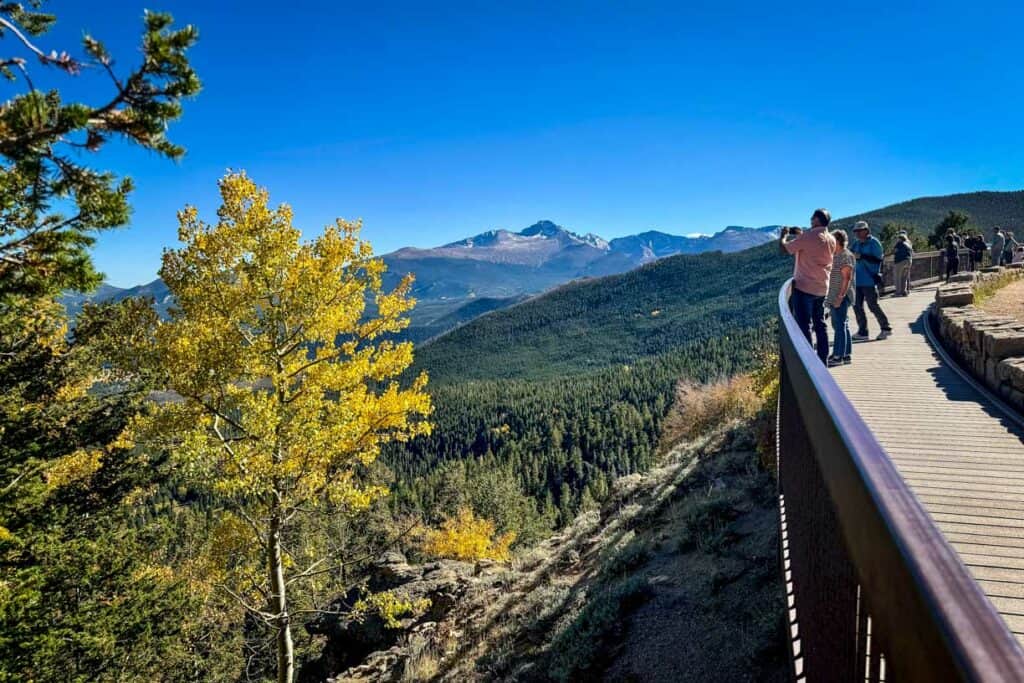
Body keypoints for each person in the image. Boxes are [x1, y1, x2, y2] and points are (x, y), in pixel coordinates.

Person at [781, 209, 836, 363]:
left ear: (817, 220)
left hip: (804, 287)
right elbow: (814, 250)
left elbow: (785, 249)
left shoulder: (808, 236)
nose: (810, 220)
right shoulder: (831, 239)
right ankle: (822, 360)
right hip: (822, 287)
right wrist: (801, 235)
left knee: (805, 325)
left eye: (812, 217)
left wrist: (783, 236)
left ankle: (809, 361)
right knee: (820, 324)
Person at [850, 221, 892, 341]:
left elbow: (878, 260)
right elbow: (850, 254)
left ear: (866, 230)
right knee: (857, 306)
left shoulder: (874, 243)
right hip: (856, 280)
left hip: (869, 280)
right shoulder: (856, 243)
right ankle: (863, 332)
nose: (857, 233)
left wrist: (862, 256)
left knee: (873, 306)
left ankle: (886, 328)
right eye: (855, 231)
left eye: (859, 231)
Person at [826, 229, 855, 367]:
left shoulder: (845, 255)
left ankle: (838, 356)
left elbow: (847, 277)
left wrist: (840, 297)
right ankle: (846, 353)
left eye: (832, 240)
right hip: (836, 294)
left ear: (838, 241)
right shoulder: (837, 255)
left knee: (839, 325)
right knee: (843, 324)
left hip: (841, 295)